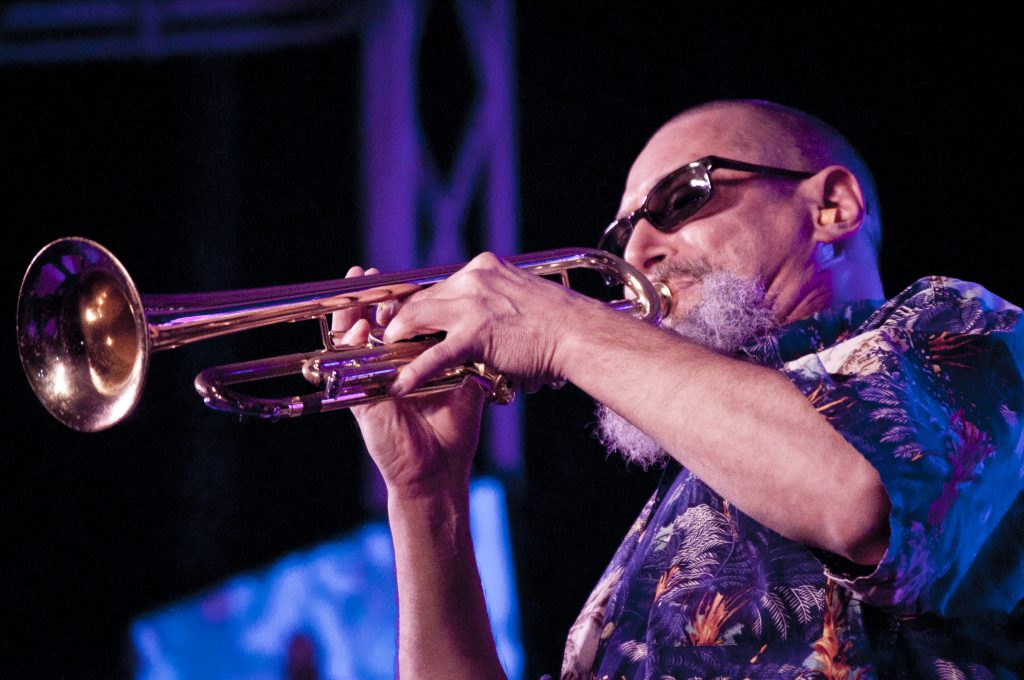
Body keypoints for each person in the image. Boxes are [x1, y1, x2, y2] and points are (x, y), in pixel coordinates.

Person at [333, 100, 1024, 678]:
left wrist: (561, 327)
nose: (635, 255)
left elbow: (855, 498)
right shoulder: (674, 515)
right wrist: (427, 495)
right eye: (621, 236)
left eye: (679, 198)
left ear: (832, 207)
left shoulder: (966, 327)